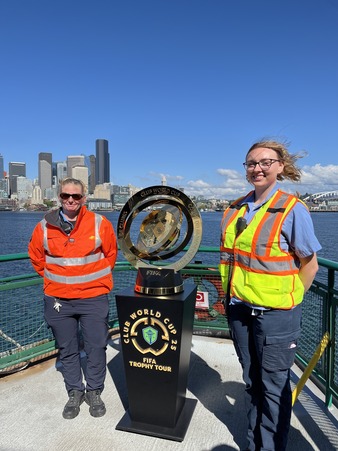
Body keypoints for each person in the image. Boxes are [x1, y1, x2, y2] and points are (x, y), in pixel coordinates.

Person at [219, 140, 321, 451]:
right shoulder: (234, 208)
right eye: (251, 163)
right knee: (252, 383)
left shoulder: (292, 210)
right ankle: (254, 445)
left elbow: (309, 264)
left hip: (275, 314)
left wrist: (288, 300)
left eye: (265, 162)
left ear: (280, 166)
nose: (257, 168)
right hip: (239, 310)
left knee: (274, 387)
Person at [28, 177, 118, 420]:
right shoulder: (44, 227)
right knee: (67, 349)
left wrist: (92, 281)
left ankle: (94, 391)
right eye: (65, 196)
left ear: (83, 199)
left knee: (96, 346)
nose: (70, 200)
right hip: (58, 300)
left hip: (93, 298)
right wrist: (58, 279)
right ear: (59, 197)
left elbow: (110, 254)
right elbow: (37, 258)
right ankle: (74, 392)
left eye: (76, 196)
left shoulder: (100, 224)